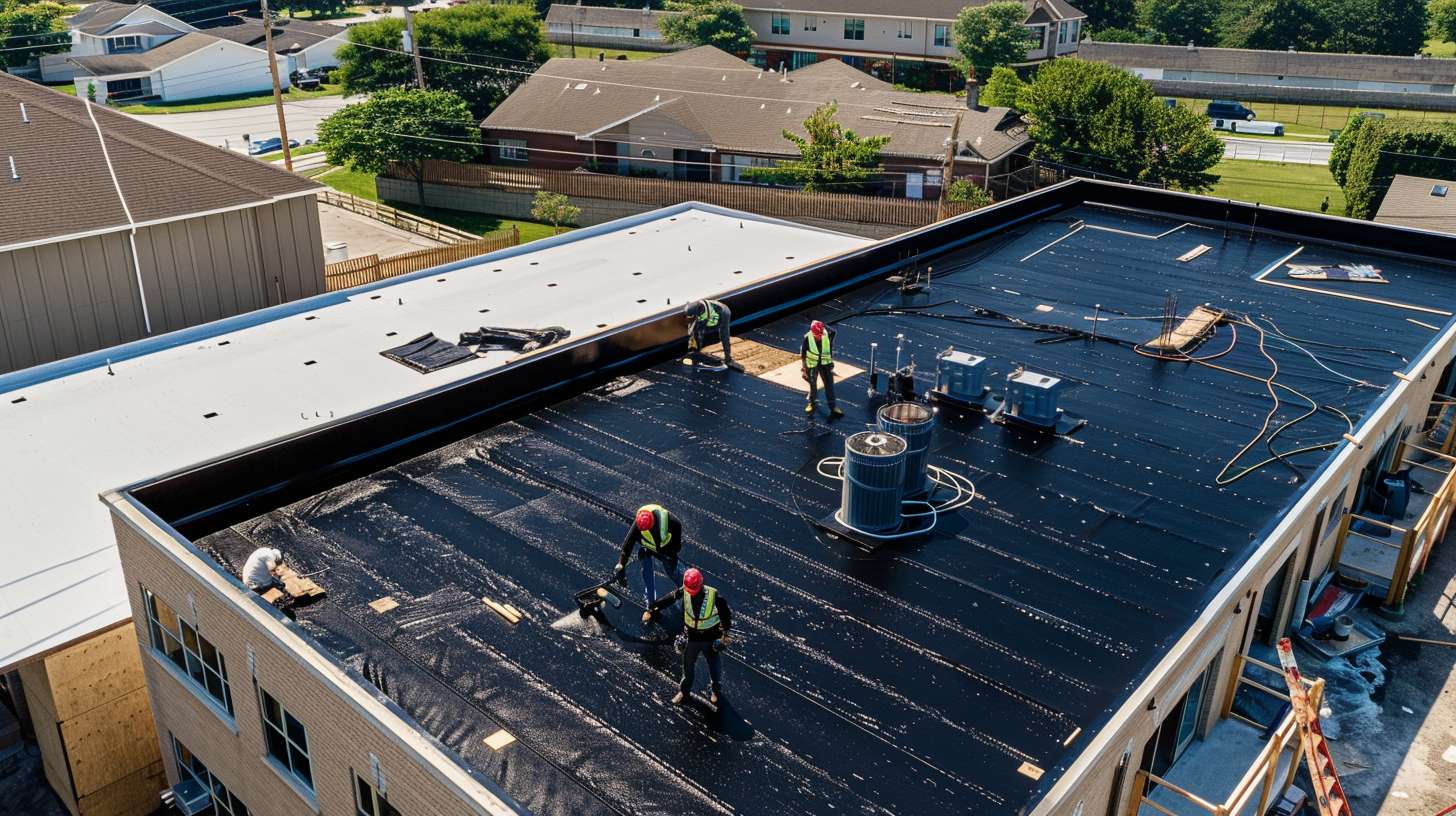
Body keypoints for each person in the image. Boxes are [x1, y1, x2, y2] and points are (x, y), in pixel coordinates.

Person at [645, 568, 732, 706]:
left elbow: (726, 617)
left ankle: (715, 691)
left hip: (710, 638)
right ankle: (684, 692)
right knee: (687, 669)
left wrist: (723, 637)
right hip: (692, 637)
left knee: (714, 669)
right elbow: (671, 597)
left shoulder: (714, 596)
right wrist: (654, 607)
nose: (690, 592)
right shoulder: (685, 590)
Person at [614, 504, 684, 610]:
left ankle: (683, 590)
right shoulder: (640, 522)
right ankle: (651, 602)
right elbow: (628, 544)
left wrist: (672, 552)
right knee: (645, 563)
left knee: (672, 569)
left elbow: (676, 545)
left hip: (666, 551)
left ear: (652, 523)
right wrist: (621, 564)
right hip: (650, 547)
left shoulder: (669, 524)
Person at [801, 320, 843, 418]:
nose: (819, 336)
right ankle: (811, 403)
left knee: (829, 386)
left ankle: (833, 407)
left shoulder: (827, 334)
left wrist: (824, 325)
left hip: (825, 364)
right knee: (813, 385)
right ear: (812, 332)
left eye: (820, 334)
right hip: (813, 365)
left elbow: (834, 332)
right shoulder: (808, 338)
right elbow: (803, 355)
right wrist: (804, 369)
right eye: (817, 335)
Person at [684, 299, 741, 370]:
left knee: (723, 336)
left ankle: (728, 359)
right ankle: (695, 350)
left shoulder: (719, 313)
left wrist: (728, 358)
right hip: (707, 317)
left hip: (721, 316)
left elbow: (724, 335)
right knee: (696, 331)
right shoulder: (696, 307)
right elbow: (692, 328)